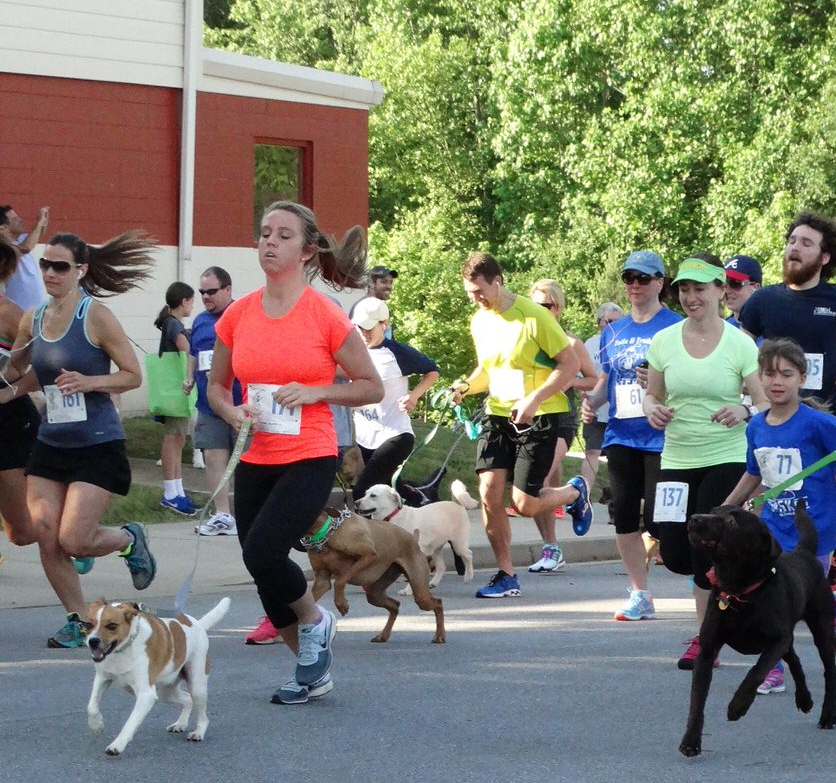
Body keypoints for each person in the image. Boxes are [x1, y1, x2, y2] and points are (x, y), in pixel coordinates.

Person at [206, 201, 384, 703]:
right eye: (265, 232)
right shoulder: (238, 314)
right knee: (260, 567)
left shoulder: (323, 314)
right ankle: (310, 668)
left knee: (263, 551)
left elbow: (370, 386)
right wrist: (231, 412)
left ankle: (315, 620)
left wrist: (316, 391)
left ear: (306, 251)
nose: (269, 241)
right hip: (256, 454)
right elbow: (216, 386)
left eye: (283, 235)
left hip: (309, 453)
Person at [0, 229, 159, 647]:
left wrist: (90, 382)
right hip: (51, 441)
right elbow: (19, 369)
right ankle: (78, 618)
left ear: (81, 270)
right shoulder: (33, 318)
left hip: (97, 443)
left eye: (60, 266)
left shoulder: (95, 316)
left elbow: (132, 375)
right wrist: (7, 385)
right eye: (45, 264)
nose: (50, 273)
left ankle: (129, 538)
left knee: (74, 539)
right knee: (45, 532)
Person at [723, 338, 836, 693]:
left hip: (815, 529)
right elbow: (754, 472)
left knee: (801, 597)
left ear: (802, 377)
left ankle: (834, 609)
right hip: (773, 527)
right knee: (769, 599)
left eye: (786, 374)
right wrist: (727, 508)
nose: (777, 382)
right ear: (758, 379)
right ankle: (772, 668)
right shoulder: (756, 426)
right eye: (770, 374)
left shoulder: (818, 423)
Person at [643, 256, 762, 665]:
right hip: (677, 456)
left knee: (703, 550)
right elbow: (652, 394)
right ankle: (735, 599)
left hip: (725, 456)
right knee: (674, 551)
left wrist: (743, 410)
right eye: (684, 289)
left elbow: (763, 402)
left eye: (700, 288)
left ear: (719, 290)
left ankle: (706, 640)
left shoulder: (739, 343)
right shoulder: (664, 341)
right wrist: (651, 409)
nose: (691, 297)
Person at [452, 252, 591, 599]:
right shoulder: (480, 321)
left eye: (479, 291)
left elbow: (570, 364)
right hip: (498, 414)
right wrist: (464, 387)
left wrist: (533, 399)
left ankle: (574, 493)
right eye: (469, 293)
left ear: (498, 282)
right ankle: (506, 574)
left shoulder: (534, 316)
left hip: (540, 415)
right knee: (488, 491)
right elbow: (486, 370)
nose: (475, 299)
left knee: (524, 504)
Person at [594, 251, 680, 621]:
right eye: (629, 277)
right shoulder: (613, 331)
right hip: (621, 434)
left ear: (660, 282)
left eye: (643, 278)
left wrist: (661, 382)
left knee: (662, 519)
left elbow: (691, 378)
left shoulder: (675, 327)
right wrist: (592, 401)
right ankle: (639, 592)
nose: (634, 285)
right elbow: (607, 379)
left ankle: (700, 575)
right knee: (624, 515)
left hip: (661, 435)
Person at [737, 212, 836, 422]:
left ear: (825, 257)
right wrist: (748, 379)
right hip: (775, 413)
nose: (795, 248)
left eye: (806, 243)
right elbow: (740, 346)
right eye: (791, 241)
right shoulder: (763, 299)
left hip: (826, 412)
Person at [530, 277, 601, 571]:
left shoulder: (571, 343)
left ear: (557, 307)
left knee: (537, 480)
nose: (540, 311)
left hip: (561, 419)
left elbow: (593, 379)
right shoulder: (527, 342)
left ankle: (576, 493)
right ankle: (552, 546)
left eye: (546, 305)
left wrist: (569, 381)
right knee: (544, 483)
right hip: (532, 417)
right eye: (534, 305)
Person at [349, 298, 440, 498]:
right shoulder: (351, 352)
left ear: (384, 325)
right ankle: (423, 495)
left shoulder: (397, 353)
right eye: (358, 327)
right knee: (390, 489)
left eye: (368, 328)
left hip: (395, 435)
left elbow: (432, 371)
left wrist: (413, 396)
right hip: (366, 437)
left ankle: (422, 496)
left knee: (363, 493)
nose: (363, 333)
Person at [189, 266, 241, 536]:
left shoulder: (242, 315)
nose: (205, 297)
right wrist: (188, 377)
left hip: (240, 404)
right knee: (212, 457)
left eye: (211, 291)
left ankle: (248, 512)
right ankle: (222, 514)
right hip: (208, 405)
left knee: (247, 462)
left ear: (228, 289)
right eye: (202, 292)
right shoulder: (200, 321)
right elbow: (194, 353)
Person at [0, 237, 41, 553]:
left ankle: (76, 537)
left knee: (22, 532)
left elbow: (46, 368)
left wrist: (9, 393)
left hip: (10, 423)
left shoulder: (12, 315)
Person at [152, 281, 198, 516]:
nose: (193, 306)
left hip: (175, 392)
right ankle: (170, 493)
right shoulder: (174, 324)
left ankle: (177, 490)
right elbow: (186, 348)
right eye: (192, 301)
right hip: (176, 391)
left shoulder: (170, 322)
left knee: (178, 438)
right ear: (184, 301)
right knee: (173, 439)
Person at [580, 301, 623, 487]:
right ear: (599, 323)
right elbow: (581, 376)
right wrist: (586, 398)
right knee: (592, 452)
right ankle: (584, 494)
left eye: (617, 322)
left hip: (620, 410)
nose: (613, 327)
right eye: (609, 322)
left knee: (618, 455)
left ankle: (618, 494)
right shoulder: (590, 345)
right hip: (596, 410)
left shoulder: (625, 343)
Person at [0, 203, 49, 311]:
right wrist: (40, 223)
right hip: (15, 308)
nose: (20, 220)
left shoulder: (21, 239)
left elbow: (38, 234)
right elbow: (26, 248)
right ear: (5, 227)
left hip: (32, 307)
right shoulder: (4, 246)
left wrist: (43, 219)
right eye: (15, 219)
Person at [722, 254, 761, 326]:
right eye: (723, 285)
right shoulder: (722, 328)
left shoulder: (775, 325)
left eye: (735, 283)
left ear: (756, 287)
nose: (727, 291)